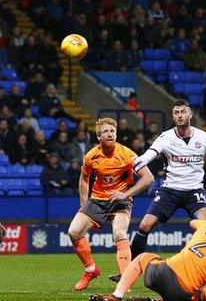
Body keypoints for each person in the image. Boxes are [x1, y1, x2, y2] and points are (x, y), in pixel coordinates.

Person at [129, 99, 206, 289]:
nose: (179, 115)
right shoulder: (166, 137)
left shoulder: (204, 137)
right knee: (144, 225)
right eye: (176, 112)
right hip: (170, 190)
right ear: (173, 116)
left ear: (190, 114)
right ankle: (130, 270)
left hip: (194, 191)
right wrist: (138, 161)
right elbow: (151, 153)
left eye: (183, 112)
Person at [90, 204, 206, 301]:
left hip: (157, 275)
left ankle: (116, 296)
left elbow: (193, 222)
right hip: (181, 291)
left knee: (143, 257)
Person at [68, 117, 153, 291]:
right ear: (99, 136)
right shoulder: (91, 156)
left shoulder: (127, 154)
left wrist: (125, 194)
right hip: (98, 199)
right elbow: (84, 178)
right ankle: (91, 269)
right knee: (74, 232)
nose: (110, 134)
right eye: (106, 131)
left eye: (112, 131)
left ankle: (125, 282)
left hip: (120, 201)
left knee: (119, 234)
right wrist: (84, 203)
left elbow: (148, 178)